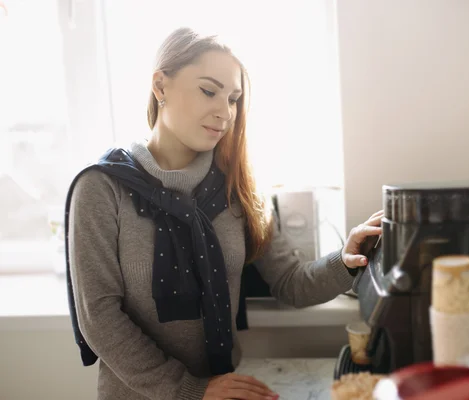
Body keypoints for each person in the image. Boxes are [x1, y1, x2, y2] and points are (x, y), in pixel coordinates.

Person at [66, 27, 382, 400]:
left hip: (224, 391)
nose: (225, 112)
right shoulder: (101, 187)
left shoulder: (238, 186)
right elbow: (99, 318)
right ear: (160, 86)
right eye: (208, 90)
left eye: (233, 98)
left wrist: (346, 261)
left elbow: (290, 283)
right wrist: (189, 390)